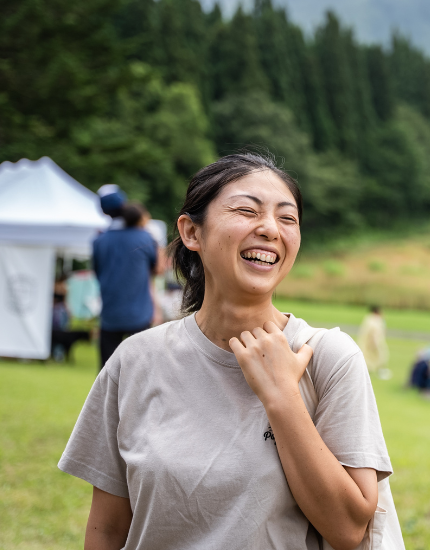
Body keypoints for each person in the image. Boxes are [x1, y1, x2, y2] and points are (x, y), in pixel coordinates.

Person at [59, 152, 395, 550]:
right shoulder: (134, 360)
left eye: (287, 218)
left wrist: (283, 398)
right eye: (246, 211)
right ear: (191, 233)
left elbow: (349, 530)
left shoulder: (329, 358)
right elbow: (109, 530)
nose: (270, 228)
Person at [91, 187, 157, 369]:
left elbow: (97, 273)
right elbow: (155, 269)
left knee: (106, 375)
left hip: (110, 315)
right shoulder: (145, 238)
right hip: (140, 314)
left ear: (103, 211)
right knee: (141, 371)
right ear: (123, 203)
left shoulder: (99, 241)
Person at [358, 305, 389, 375]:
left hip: (370, 342)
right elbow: (373, 332)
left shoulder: (369, 319)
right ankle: (378, 370)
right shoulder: (374, 320)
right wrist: (374, 342)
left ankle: (373, 369)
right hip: (373, 342)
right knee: (378, 356)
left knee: (370, 356)